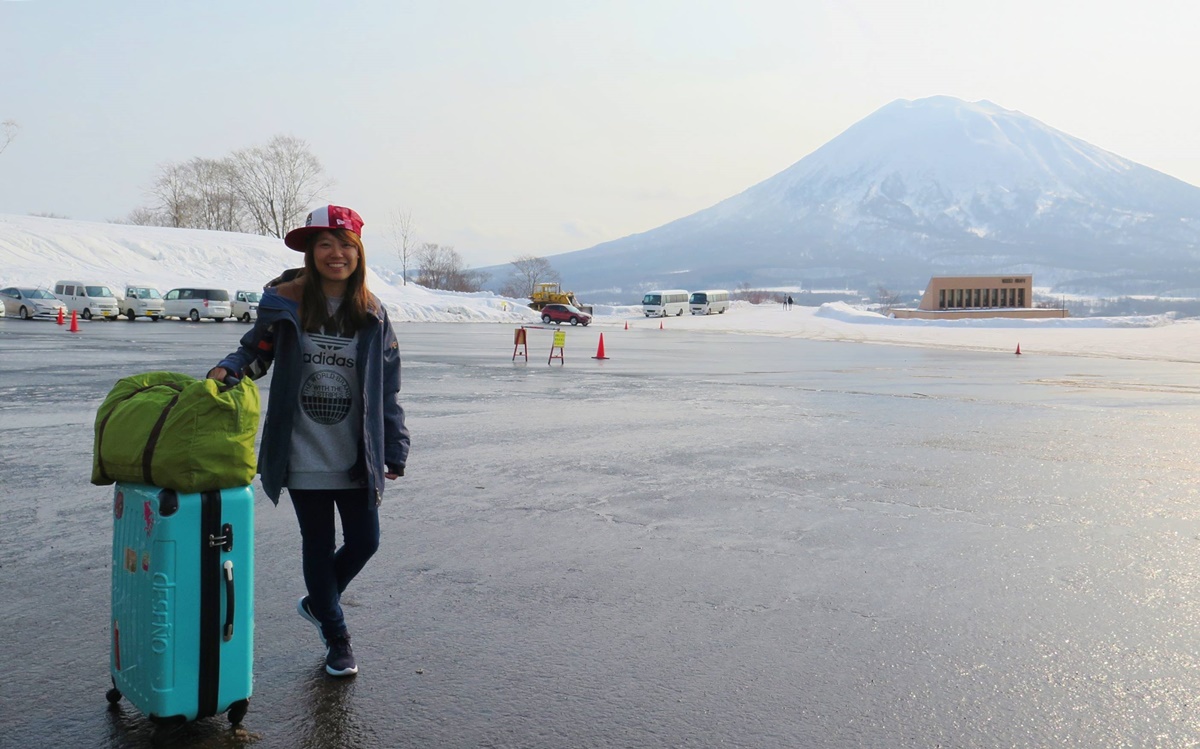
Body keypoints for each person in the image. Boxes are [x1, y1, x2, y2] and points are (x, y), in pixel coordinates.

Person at [207, 205, 410, 677]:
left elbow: (388, 388)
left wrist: (395, 445)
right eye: (325, 244)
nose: (335, 254)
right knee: (317, 544)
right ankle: (337, 637)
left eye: (345, 245)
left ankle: (320, 602)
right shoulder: (285, 305)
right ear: (310, 252)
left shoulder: (373, 314)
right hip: (301, 448)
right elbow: (255, 351)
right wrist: (231, 369)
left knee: (365, 542)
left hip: (355, 449)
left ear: (358, 253)